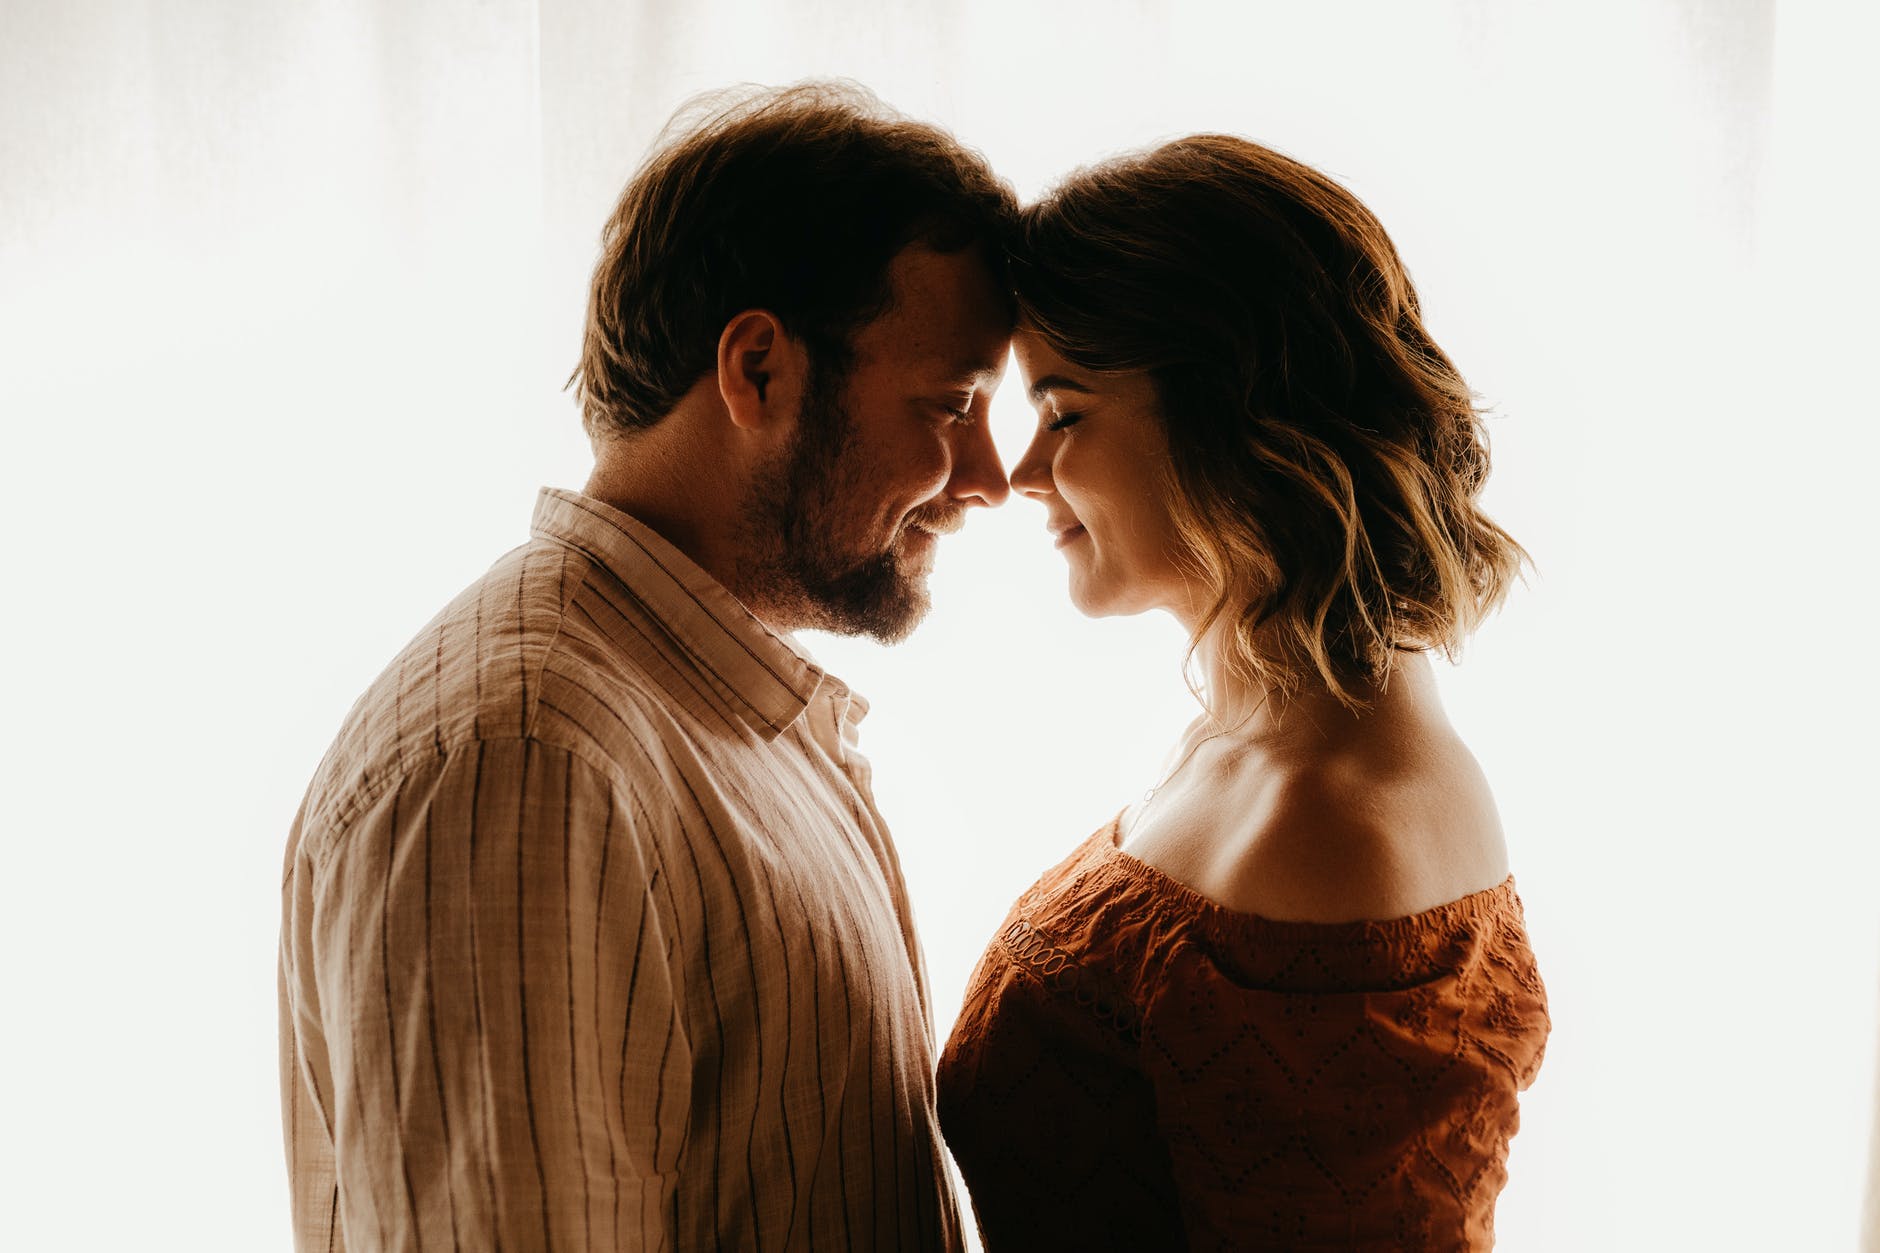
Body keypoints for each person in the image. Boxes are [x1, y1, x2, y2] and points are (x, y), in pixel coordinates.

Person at [278, 82, 1015, 1252]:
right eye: (953, 403)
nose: (990, 476)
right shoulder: (522, 760)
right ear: (758, 369)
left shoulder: (713, 715)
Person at [935, 135, 1550, 1250]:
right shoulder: (1247, 733)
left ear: (1229, 416)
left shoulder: (1331, 821)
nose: (1021, 473)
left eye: (1062, 411)